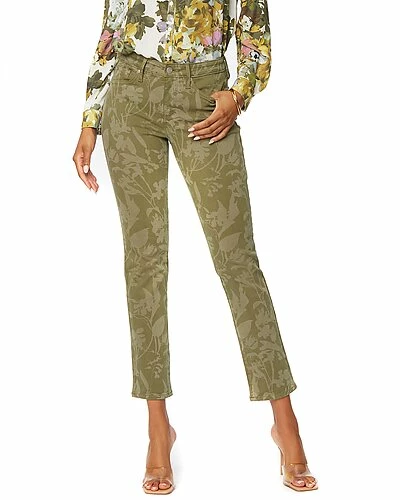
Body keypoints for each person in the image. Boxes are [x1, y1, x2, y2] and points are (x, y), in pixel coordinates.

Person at [72, 0, 318, 494]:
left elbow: (254, 30)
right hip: (130, 95)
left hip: (205, 95)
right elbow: (113, 25)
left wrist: (239, 94)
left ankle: (285, 421)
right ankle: (157, 428)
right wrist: (90, 118)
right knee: (144, 263)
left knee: (237, 260)